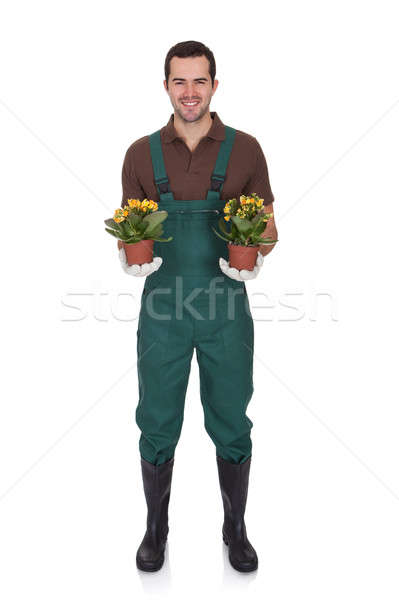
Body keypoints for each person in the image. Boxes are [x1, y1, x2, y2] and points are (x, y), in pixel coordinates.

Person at [117, 40, 278, 573]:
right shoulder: (141, 153)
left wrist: (255, 258)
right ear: (165, 86)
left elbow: (269, 228)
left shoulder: (247, 149)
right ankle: (155, 527)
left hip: (226, 304)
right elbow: (128, 229)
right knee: (157, 419)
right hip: (162, 306)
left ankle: (236, 527)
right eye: (179, 81)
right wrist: (130, 256)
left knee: (232, 417)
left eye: (199, 80)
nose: (190, 92)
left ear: (215, 84)